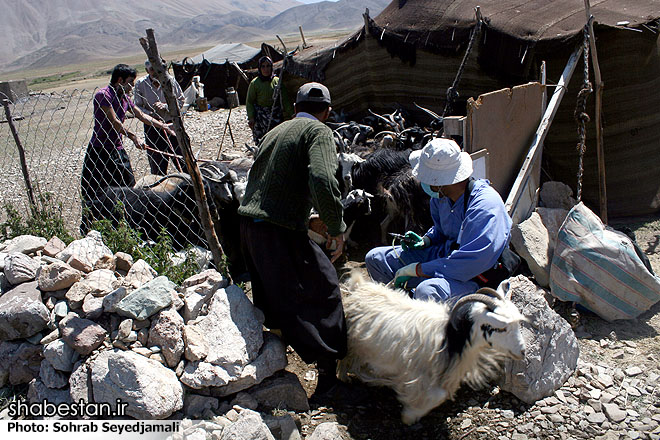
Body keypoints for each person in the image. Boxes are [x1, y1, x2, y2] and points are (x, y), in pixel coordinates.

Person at [238, 82, 346, 395]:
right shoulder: (319, 132)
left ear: (294, 108)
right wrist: (336, 227)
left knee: (276, 298)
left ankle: (273, 373)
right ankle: (330, 379)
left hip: (250, 227)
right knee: (324, 291)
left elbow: (272, 182)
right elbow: (323, 178)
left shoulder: (274, 131)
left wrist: (307, 216)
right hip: (277, 230)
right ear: (326, 111)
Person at [365, 138, 513, 302]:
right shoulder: (441, 197)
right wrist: (426, 240)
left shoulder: (485, 205)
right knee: (376, 258)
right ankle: (401, 309)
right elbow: (441, 230)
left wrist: (419, 269)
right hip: (445, 257)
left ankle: (424, 322)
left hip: (474, 276)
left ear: (440, 182)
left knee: (428, 292)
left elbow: (471, 263)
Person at [80, 63, 175, 233]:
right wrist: (133, 137)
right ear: (120, 80)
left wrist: (163, 126)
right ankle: (89, 225)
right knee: (94, 191)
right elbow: (115, 121)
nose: (132, 86)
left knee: (127, 186)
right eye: (130, 82)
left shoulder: (124, 98)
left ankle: (127, 225)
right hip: (99, 151)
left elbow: (141, 115)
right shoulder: (103, 96)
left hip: (116, 150)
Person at [133, 58, 185, 175]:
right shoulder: (141, 84)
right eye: (152, 70)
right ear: (147, 71)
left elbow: (181, 101)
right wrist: (150, 115)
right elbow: (136, 107)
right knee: (157, 163)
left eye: (158, 69)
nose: (155, 72)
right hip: (153, 127)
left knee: (181, 159)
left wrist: (167, 106)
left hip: (172, 124)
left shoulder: (170, 81)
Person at [245, 56, 294, 144]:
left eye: (268, 66)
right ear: (259, 68)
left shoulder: (277, 82)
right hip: (261, 117)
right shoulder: (255, 83)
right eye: (263, 66)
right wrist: (251, 117)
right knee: (262, 140)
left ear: (271, 67)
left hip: (276, 114)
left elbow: (285, 99)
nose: (266, 69)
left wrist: (292, 114)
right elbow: (250, 102)